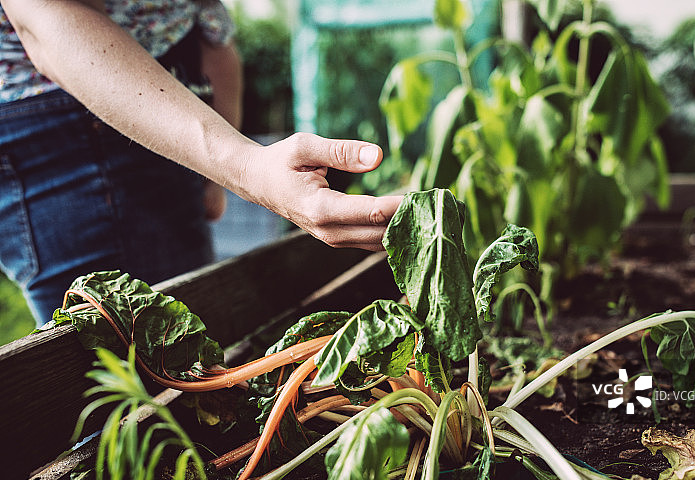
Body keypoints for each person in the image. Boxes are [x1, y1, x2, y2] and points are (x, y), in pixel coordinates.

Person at [0, 0, 402, 325]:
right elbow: (46, 17)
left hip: (158, 101)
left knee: (180, 346)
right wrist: (245, 167)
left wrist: (215, 171)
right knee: (142, 381)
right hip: (79, 110)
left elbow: (210, 30)